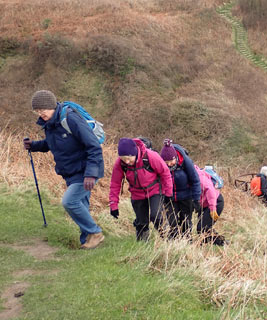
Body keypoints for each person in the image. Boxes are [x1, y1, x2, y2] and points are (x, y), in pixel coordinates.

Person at [23, 90, 105, 249]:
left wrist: (90, 174)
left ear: (52, 106)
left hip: (85, 170)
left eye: (43, 110)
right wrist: (33, 146)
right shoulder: (50, 124)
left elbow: (94, 147)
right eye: (37, 111)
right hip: (71, 171)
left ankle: (95, 233)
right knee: (81, 205)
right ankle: (86, 242)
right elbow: (51, 143)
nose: (41, 114)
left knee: (70, 201)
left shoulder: (70, 119)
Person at [109, 138, 173, 241]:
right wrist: (113, 205)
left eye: (129, 158)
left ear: (135, 153)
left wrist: (169, 194)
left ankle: (167, 238)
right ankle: (142, 245)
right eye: (123, 159)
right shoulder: (120, 164)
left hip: (155, 190)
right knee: (141, 222)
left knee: (155, 216)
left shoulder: (150, 156)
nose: (127, 161)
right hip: (137, 193)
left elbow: (165, 173)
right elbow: (115, 183)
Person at [159, 139, 201, 239]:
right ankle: (174, 242)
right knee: (172, 221)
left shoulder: (185, 162)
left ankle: (186, 240)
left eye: (171, 161)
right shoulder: (160, 165)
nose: (169, 164)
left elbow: (195, 180)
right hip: (169, 198)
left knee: (185, 221)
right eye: (166, 162)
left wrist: (196, 199)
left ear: (176, 158)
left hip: (186, 196)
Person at [197, 165, 224, 241]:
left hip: (216, 202)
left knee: (202, 228)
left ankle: (221, 242)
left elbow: (210, 190)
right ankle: (205, 244)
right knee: (202, 229)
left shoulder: (198, 176)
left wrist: (213, 208)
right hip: (204, 204)